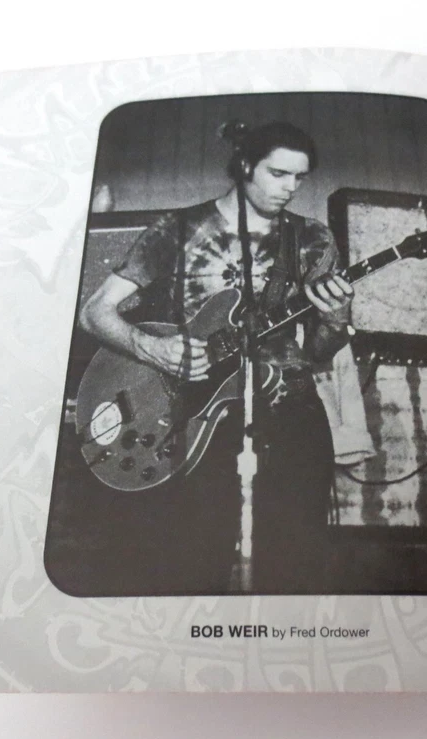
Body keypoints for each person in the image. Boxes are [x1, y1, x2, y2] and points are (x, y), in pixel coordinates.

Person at [80, 121, 353, 594]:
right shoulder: (177, 229)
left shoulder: (312, 239)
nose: (290, 188)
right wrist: (152, 347)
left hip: (289, 409)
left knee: (296, 560)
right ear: (244, 165)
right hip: (195, 412)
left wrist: (335, 317)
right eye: (278, 173)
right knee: (192, 560)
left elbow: (318, 351)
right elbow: (94, 312)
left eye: (299, 177)